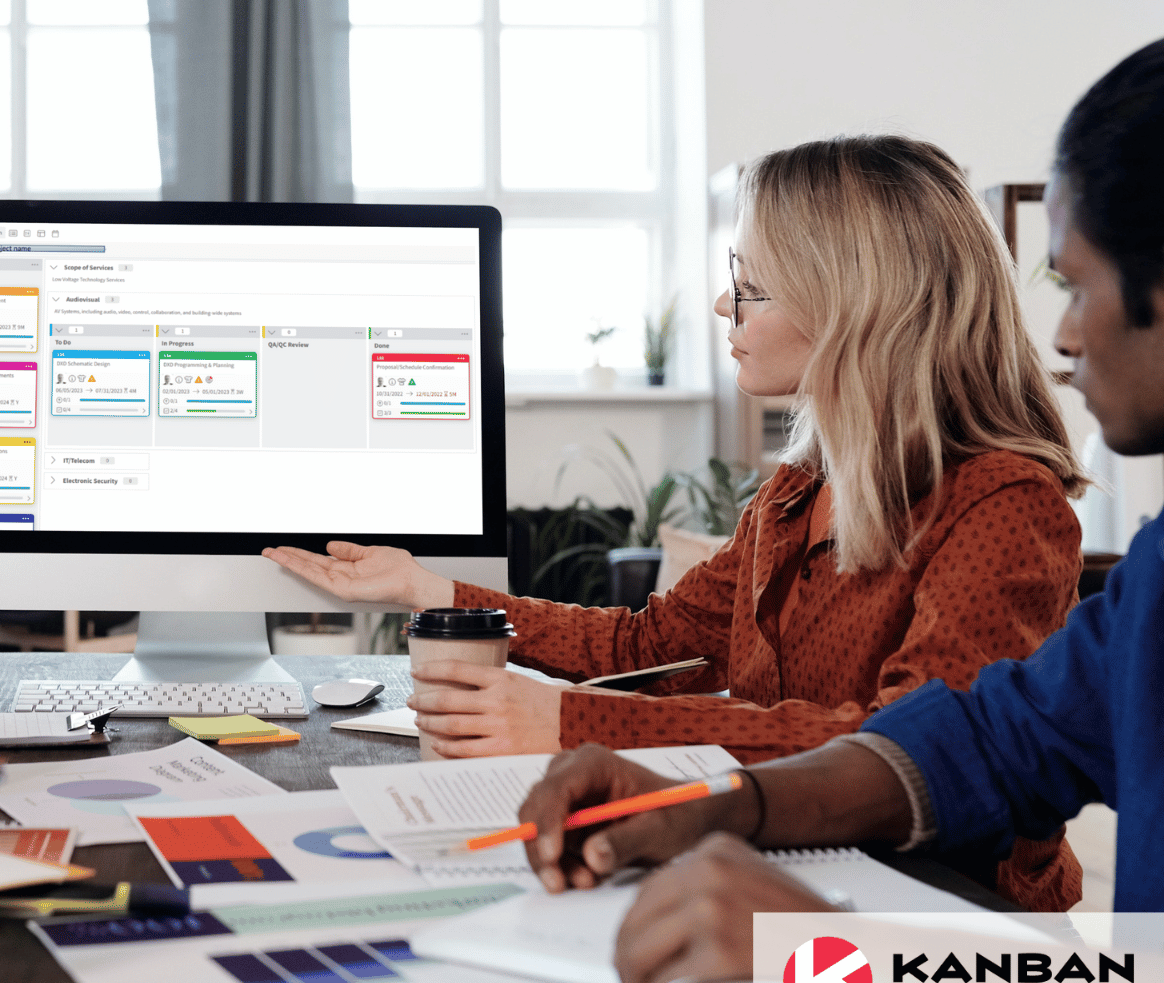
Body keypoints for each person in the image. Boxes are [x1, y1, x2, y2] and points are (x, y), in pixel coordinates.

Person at [266, 134, 1089, 911]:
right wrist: (425, 584)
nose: (729, 301)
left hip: (948, 914)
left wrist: (566, 720)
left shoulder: (1003, 505)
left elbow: (902, 751)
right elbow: (652, 649)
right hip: (793, 873)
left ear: (855, 306)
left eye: (753, 283)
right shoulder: (796, 493)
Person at [511, 36, 1164, 983]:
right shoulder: (1158, 574)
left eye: (1076, 284)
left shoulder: (999, 501)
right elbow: (986, 741)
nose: (1064, 335)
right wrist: (716, 808)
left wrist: (832, 959)